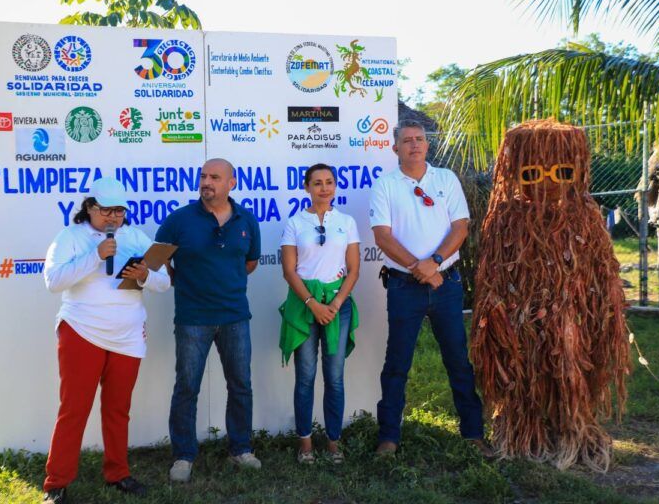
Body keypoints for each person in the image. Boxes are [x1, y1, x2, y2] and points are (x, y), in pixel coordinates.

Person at [41, 177, 171, 503]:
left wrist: (144, 275)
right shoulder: (70, 236)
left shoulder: (134, 236)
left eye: (119, 211)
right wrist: (95, 256)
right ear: (90, 207)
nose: (114, 218)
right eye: (106, 211)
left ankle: (118, 473)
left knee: (117, 409)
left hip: (127, 335)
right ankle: (56, 482)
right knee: (74, 408)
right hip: (81, 331)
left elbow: (163, 283)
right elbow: (53, 281)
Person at [368, 119, 492, 457]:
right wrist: (418, 268)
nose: (414, 145)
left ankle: (473, 434)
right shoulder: (385, 185)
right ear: (395, 148)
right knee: (397, 363)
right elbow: (382, 236)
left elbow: (461, 227)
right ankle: (389, 438)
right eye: (407, 140)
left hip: (445, 283)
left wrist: (434, 262)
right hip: (403, 286)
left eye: (419, 139)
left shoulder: (446, 179)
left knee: (457, 361)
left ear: (427, 145)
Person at [155, 158, 262, 483]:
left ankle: (240, 448)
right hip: (192, 319)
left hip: (234, 317)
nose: (206, 182)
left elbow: (250, 262)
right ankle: (184, 455)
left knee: (240, 385)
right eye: (203, 176)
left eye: (214, 177)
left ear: (232, 182)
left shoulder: (247, 220)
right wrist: (187, 281)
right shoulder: (178, 220)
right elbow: (158, 263)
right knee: (186, 388)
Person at [279, 163, 361, 464]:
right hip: (304, 307)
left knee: (335, 378)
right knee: (305, 378)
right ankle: (305, 444)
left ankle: (334, 442)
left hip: (337, 308)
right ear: (307, 187)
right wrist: (313, 304)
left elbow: (353, 270)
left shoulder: (347, 222)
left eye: (329, 182)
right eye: (317, 183)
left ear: (335, 186)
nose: (324, 188)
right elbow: (289, 271)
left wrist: (336, 304)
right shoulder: (295, 223)